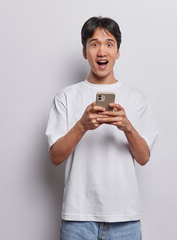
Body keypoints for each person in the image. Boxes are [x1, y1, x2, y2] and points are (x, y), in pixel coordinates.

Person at [46, 16, 158, 240]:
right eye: (94, 44)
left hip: (125, 219)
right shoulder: (66, 97)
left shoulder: (136, 99)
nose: (102, 51)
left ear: (118, 52)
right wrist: (82, 126)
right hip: (78, 218)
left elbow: (144, 157)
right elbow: (55, 157)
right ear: (85, 52)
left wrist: (127, 126)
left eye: (109, 44)